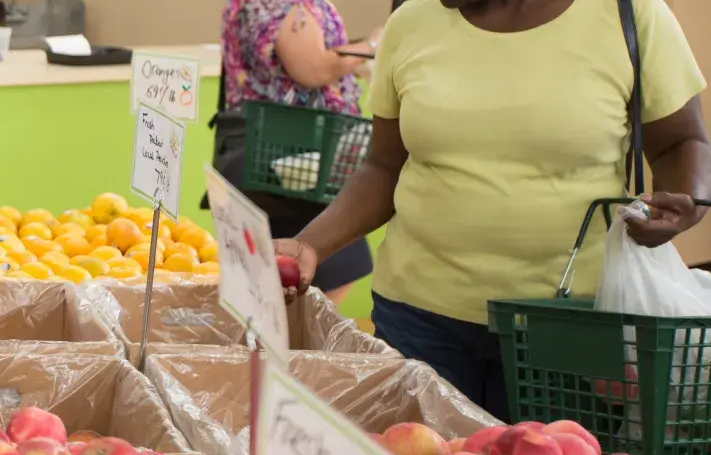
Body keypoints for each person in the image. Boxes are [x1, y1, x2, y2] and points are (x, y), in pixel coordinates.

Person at [277, 0, 710, 422]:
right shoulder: (411, 21)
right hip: (418, 319)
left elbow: (681, 141)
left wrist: (684, 201)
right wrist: (310, 245)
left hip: (566, 326)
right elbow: (384, 167)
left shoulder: (630, 15)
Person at [209, 0, 382, 305]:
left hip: (283, 158)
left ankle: (283, 343)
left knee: (290, 271)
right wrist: (372, 44)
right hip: (295, 161)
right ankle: (291, 345)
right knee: (328, 266)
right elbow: (313, 69)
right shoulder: (279, 7)